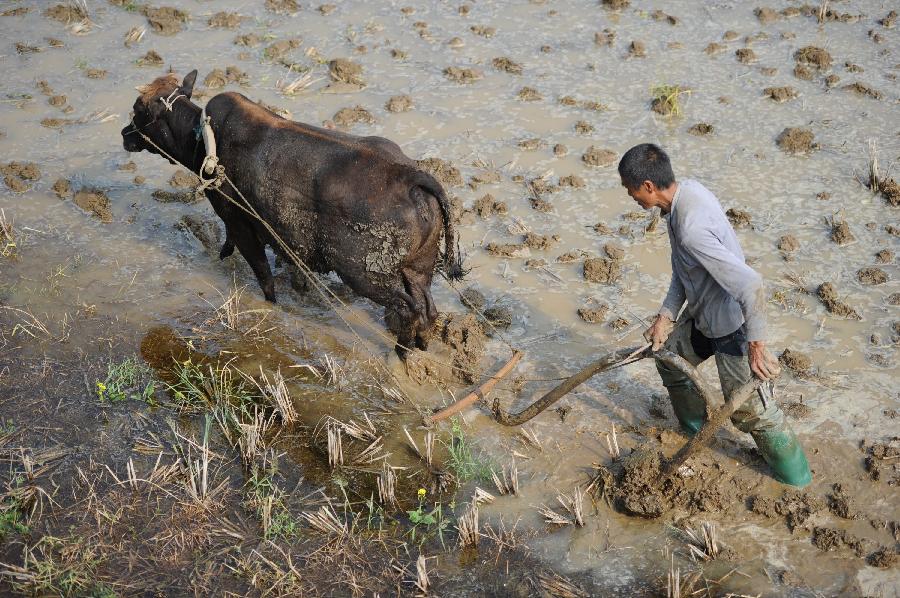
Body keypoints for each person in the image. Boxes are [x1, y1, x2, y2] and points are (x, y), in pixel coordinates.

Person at [618, 143, 812, 487]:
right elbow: (684, 270)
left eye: (629, 189)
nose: (629, 196)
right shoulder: (681, 199)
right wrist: (665, 316)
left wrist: (755, 346)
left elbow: (751, 284)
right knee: (669, 357)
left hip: (731, 328)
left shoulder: (691, 227)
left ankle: (797, 481)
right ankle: (694, 435)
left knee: (751, 413)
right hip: (703, 315)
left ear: (647, 186)